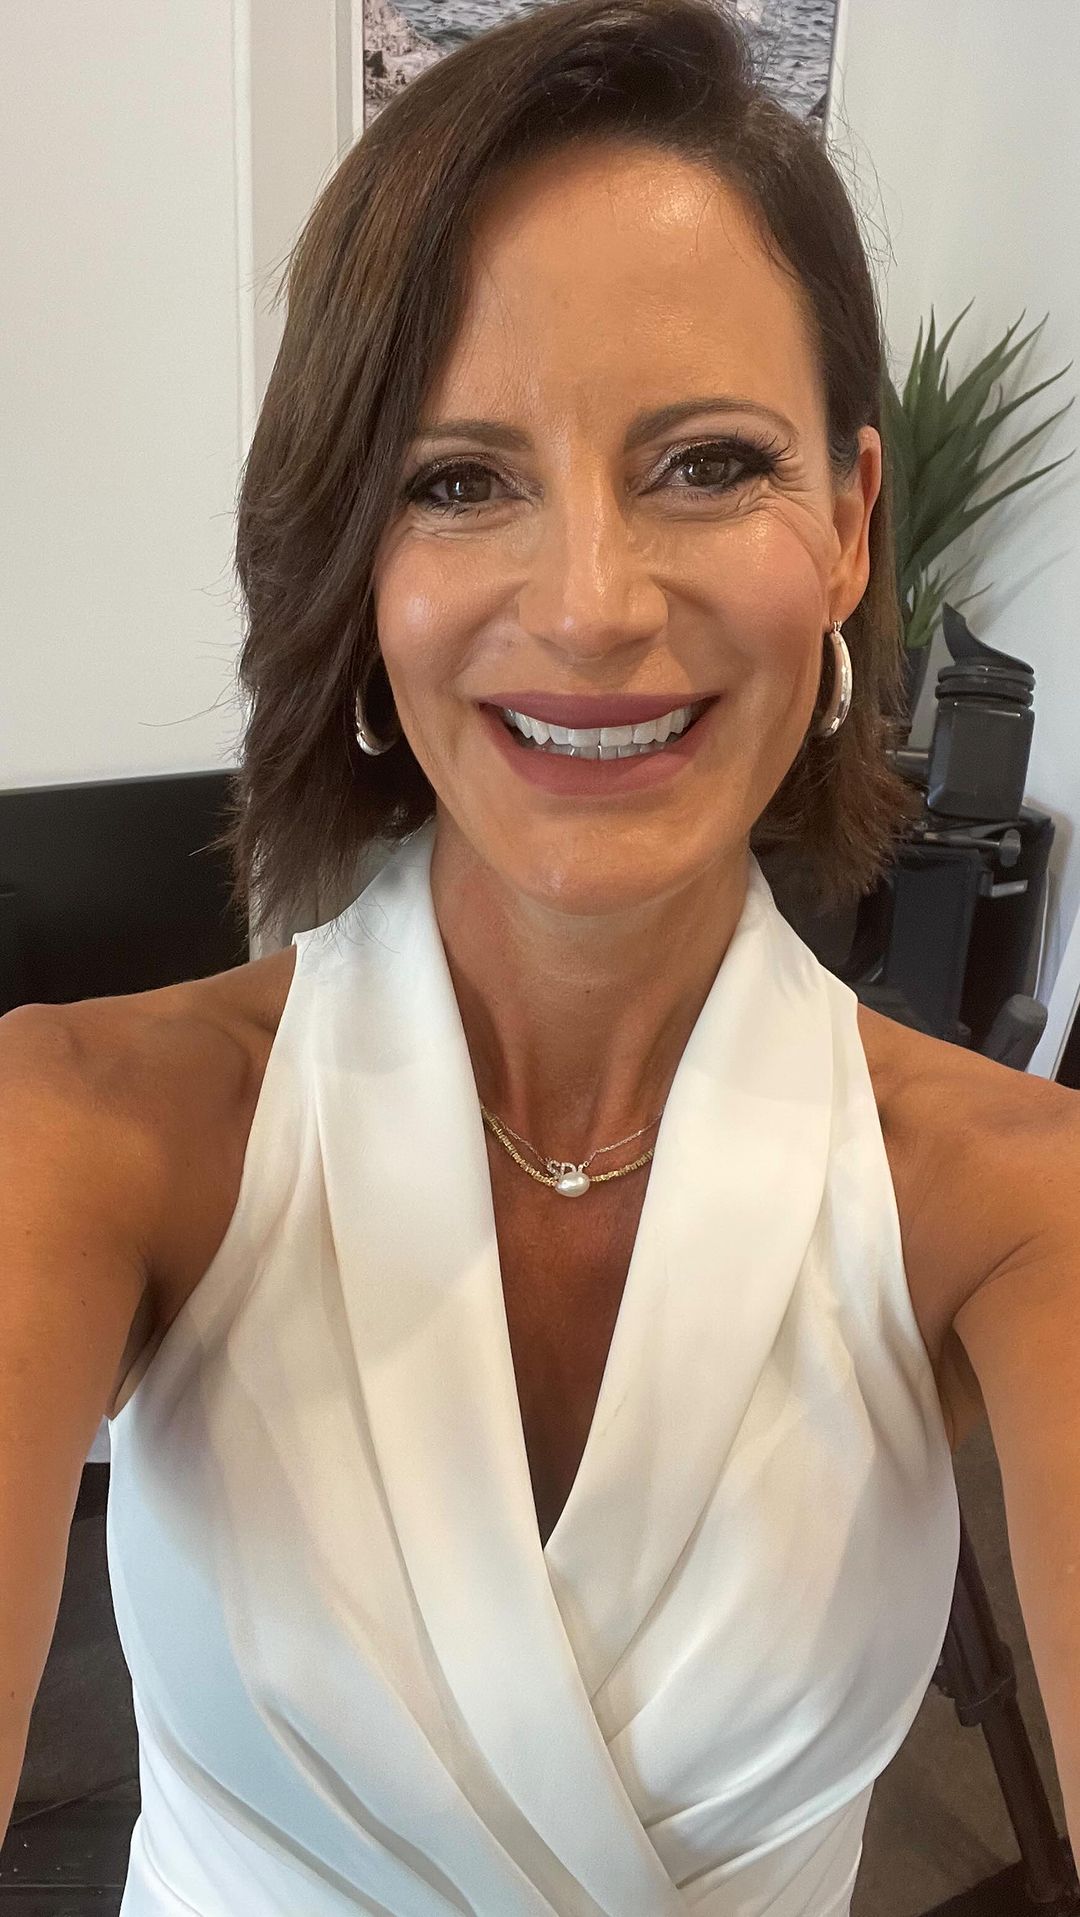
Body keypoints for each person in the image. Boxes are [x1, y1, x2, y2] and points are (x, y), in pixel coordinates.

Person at [3, 0, 1078, 1908]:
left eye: (708, 464)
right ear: (360, 567)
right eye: (457, 480)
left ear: (850, 525)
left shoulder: (1015, 1204)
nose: (590, 605)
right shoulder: (84, 1130)